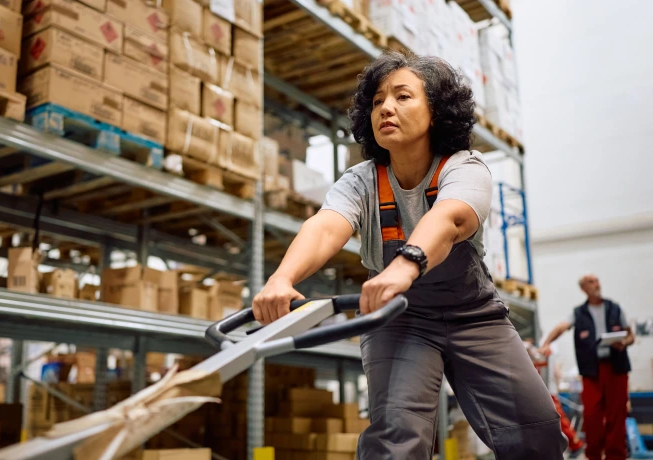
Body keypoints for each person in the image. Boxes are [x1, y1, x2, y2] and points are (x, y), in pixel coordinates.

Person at [252, 51, 567, 459]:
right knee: (397, 439)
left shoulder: (465, 168)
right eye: (378, 100)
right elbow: (326, 225)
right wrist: (282, 278)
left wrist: (406, 263)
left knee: (535, 432)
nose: (386, 107)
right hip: (399, 320)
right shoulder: (362, 181)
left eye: (403, 96)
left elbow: (451, 219)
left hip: (474, 316)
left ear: (435, 112)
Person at [539, 274, 634, 460]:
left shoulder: (615, 308)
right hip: (592, 372)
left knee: (617, 416)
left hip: (616, 369)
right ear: (583, 288)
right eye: (591, 282)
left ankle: (616, 456)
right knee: (592, 417)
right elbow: (562, 327)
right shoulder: (578, 313)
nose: (596, 284)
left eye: (597, 281)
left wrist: (625, 342)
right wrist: (547, 342)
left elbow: (631, 335)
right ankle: (594, 455)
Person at [524, 339, 586, 457]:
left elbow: (538, 357)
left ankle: (576, 444)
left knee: (559, 421)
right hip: (543, 392)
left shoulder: (547, 354)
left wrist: (529, 347)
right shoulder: (544, 355)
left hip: (547, 393)